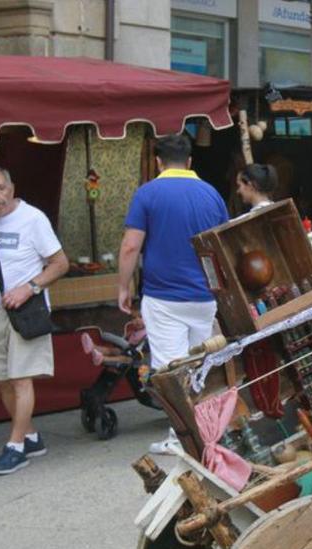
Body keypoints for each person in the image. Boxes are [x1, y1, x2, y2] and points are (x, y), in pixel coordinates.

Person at [119, 134, 228, 454]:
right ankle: (211, 435)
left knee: (170, 370)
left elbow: (130, 246)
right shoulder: (212, 194)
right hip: (206, 297)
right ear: (190, 161)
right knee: (202, 368)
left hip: (164, 297)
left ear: (158, 162)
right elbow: (221, 246)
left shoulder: (148, 193)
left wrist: (123, 286)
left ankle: (181, 439)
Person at [0, 166, 69, 475]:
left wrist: (29, 288)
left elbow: (60, 263)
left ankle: (15, 447)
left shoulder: (32, 219)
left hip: (25, 310)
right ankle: (30, 437)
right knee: (0, 378)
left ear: (12, 188)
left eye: (0, 188)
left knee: (20, 379)